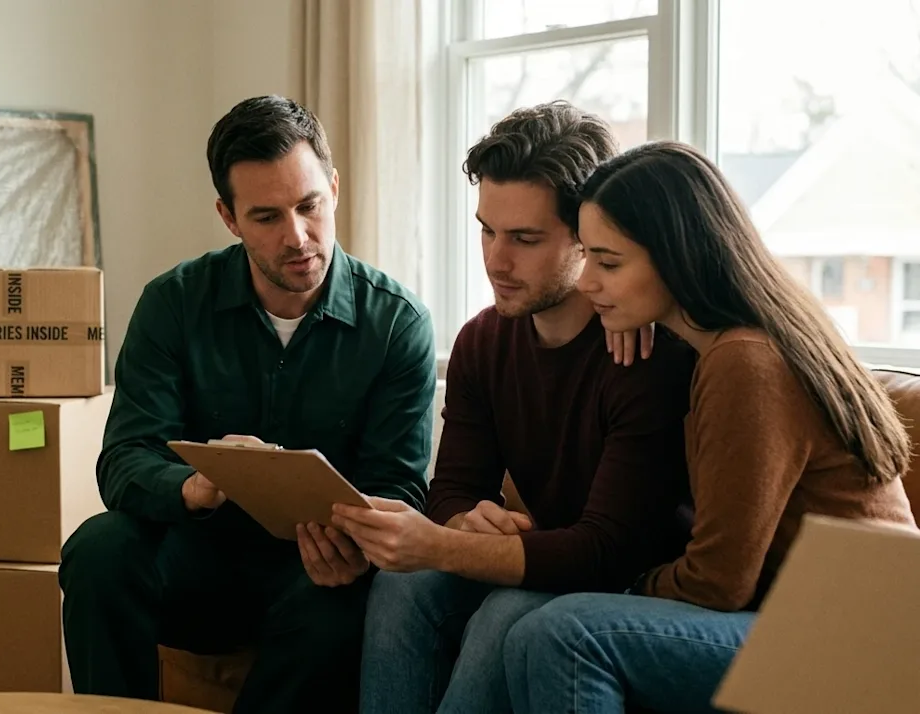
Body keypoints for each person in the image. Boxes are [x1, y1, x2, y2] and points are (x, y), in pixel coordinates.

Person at [501, 139, 919, 713]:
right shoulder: (730, 342)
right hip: (813, 617)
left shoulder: (745, 361)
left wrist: (619, 581)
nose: (585, 281)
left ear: (678, 258)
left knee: (564, 632)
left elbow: (718, 582)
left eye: (609, 263)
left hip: (858, 638)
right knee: (529, 624)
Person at [57, 95, 437, 713]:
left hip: (316, 577)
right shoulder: (173, 303)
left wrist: (355, 549)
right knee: (99, 550)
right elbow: (124, 459)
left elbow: (399, 486)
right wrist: (196, 486)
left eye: (309, 205)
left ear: (334, 189)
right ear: (228, 217)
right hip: (196, 561)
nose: (298, 236)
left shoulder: (397, 323)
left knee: (341, 606)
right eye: (266, 217)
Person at [334, 101, 699, 714]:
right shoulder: (482, 341)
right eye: (487, 230)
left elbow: (608, 549)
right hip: (550, 554)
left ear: (589, 235)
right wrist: (464, 524)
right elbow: (452, 489)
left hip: (630, 580)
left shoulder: (645, 349)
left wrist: (446, 546)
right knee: (402, 585)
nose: (496, 261)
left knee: (507, 611)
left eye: (525, 239)